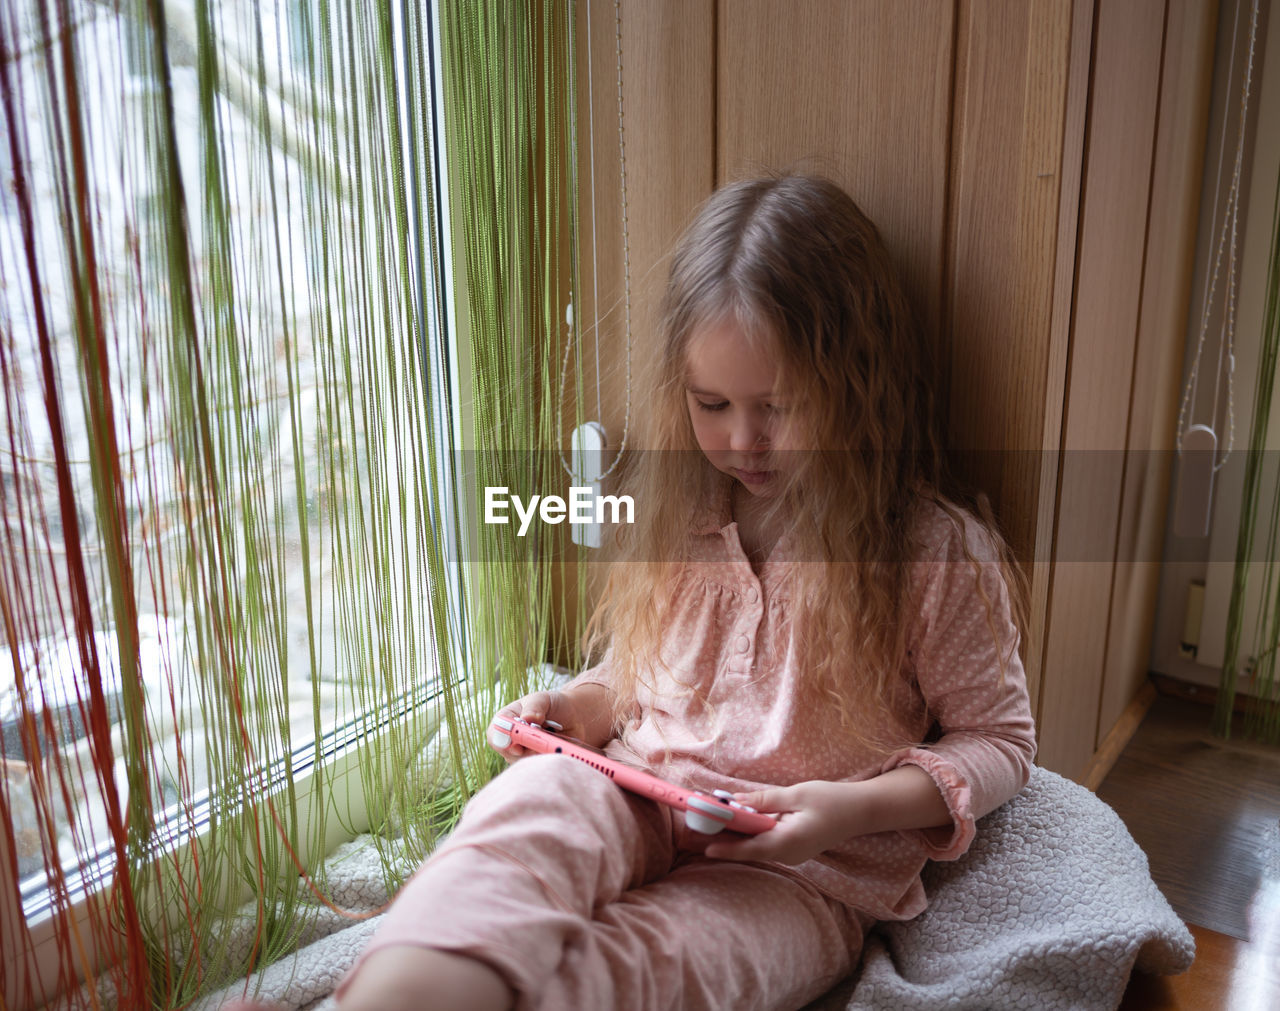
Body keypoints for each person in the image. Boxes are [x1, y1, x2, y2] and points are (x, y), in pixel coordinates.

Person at [335, 174, 1036, 1010]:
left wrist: (846, 811)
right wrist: (578, 707)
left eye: (779, 407)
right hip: (636, 787)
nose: (743, 440)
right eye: (712, 404)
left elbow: (1000, 742)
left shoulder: (930, 551)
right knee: (521, 822)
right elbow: (637, 673)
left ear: (857, 382)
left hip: (798, 871)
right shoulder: (678, 505)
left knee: (648, 963)